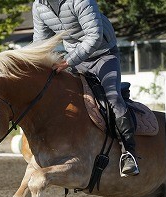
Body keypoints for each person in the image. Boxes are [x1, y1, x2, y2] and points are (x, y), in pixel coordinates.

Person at [32, 0, 139, 176]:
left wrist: (68, 61)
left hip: (103, 54)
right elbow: (40, 42)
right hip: (75, 58)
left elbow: (94, 36)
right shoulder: (39, 6)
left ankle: (129, 154)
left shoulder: (81, 1)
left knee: (112, 97)